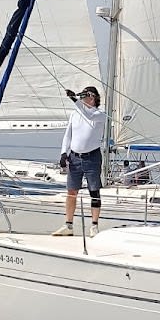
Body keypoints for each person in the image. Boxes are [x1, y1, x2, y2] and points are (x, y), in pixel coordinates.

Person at [54, 86, 105, 237]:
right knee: (71, 191)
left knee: (94, 191)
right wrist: (64, 153)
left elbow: (89, 115)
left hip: (92, 157)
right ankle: (68, 225)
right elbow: (68, 134)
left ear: (93, 98)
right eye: (81, 96)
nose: (82, 99)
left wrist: (74, 99)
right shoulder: (75, 114)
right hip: (75, 157)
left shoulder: (100, 114)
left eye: (85, 96)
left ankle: (94, 225)